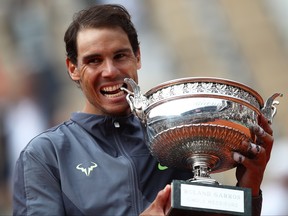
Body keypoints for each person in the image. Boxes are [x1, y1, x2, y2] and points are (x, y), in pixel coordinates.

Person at [13, 4, 274, 216]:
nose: (110, 71)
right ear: (72, 69)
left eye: (120, 56)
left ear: (137, 56)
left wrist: (250, 187)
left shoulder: (175, 137)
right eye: (94, 60)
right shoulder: (46, 155)